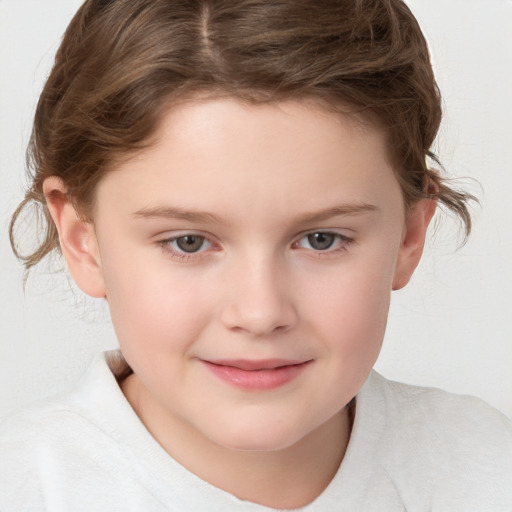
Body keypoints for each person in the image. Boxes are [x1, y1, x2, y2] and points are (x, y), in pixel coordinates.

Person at [1, 0, 511, 510]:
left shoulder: (488, 468)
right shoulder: (21, 488)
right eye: (189, 242)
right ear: (81, 240)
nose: (260, 313)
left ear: (408, 236)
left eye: (321, 239)